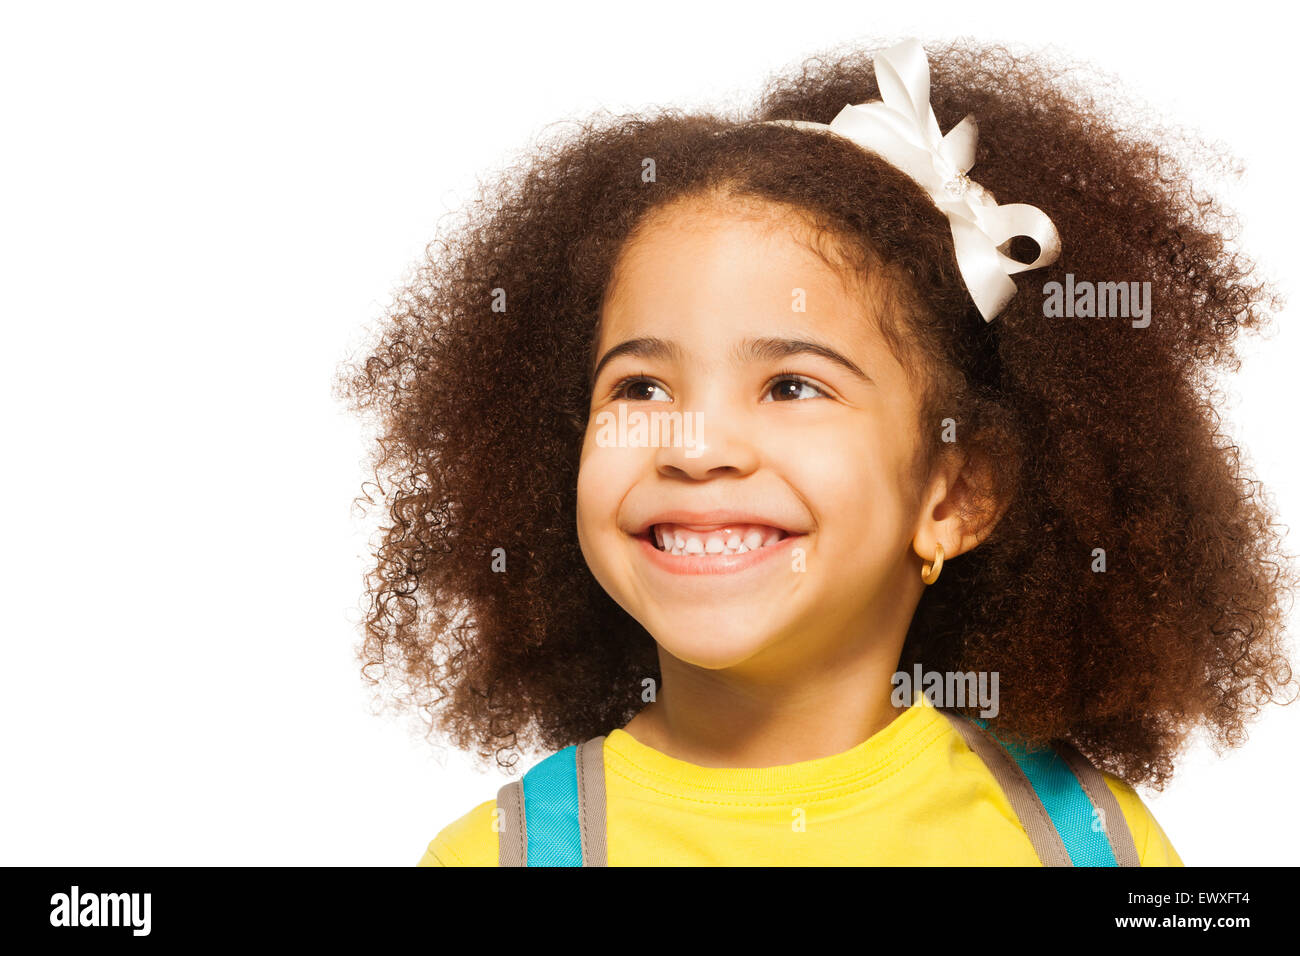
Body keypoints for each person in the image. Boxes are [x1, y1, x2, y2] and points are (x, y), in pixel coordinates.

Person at [334, 37, 1296, 865]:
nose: (694, 445)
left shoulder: (1085, 839)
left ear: (953, 497)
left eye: (793, 386)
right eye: (640, 386)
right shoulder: (503, 856)